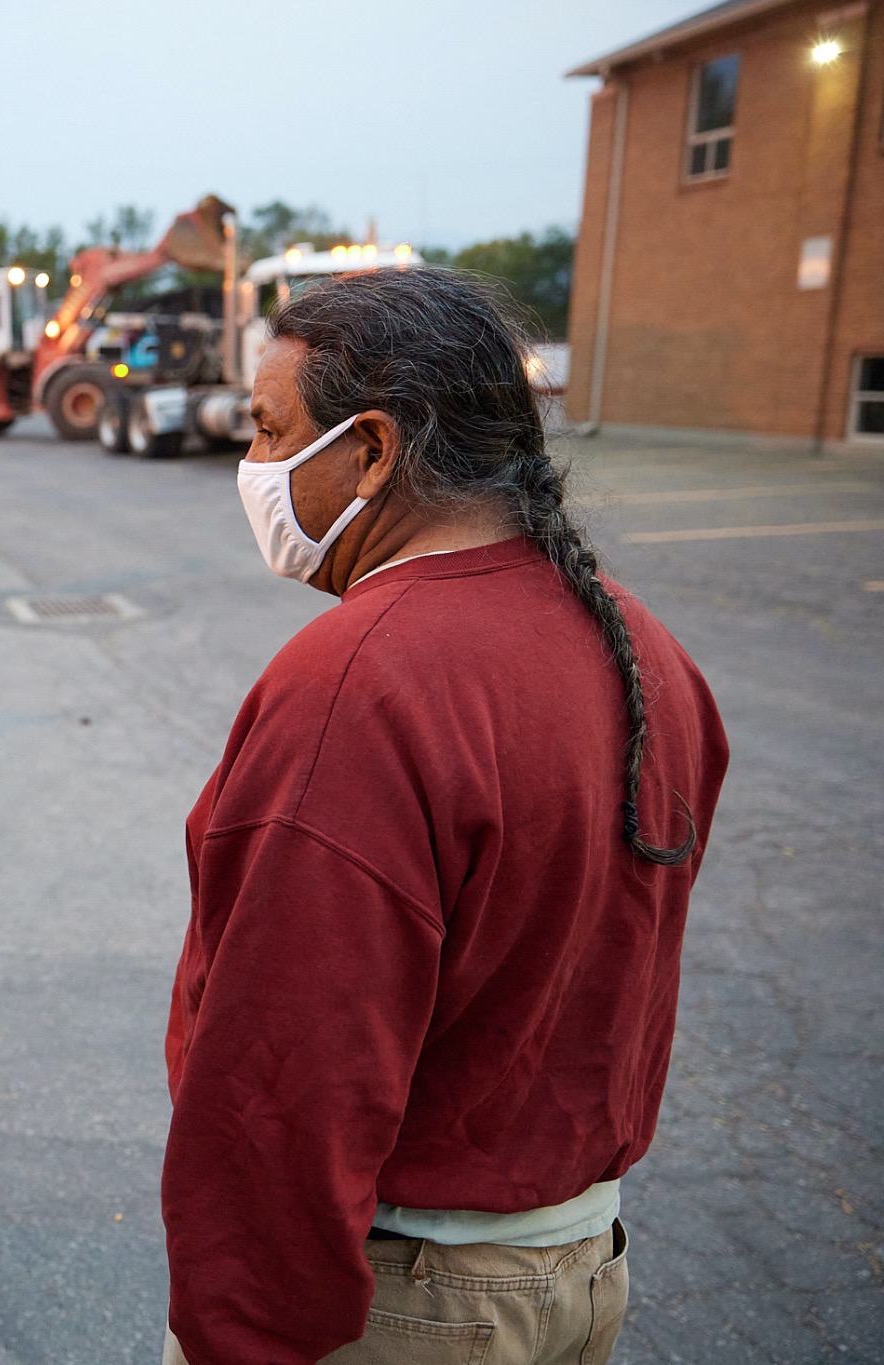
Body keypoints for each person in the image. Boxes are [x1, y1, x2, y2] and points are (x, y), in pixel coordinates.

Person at [161, 270, 728, 1365]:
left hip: (404, 1303)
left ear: (371, 450)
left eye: (270, 430)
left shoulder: (359, 685)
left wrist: (242, 1333)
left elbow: (287, 1070)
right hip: (576, 1269)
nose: (254, 467)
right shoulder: (644, 648)